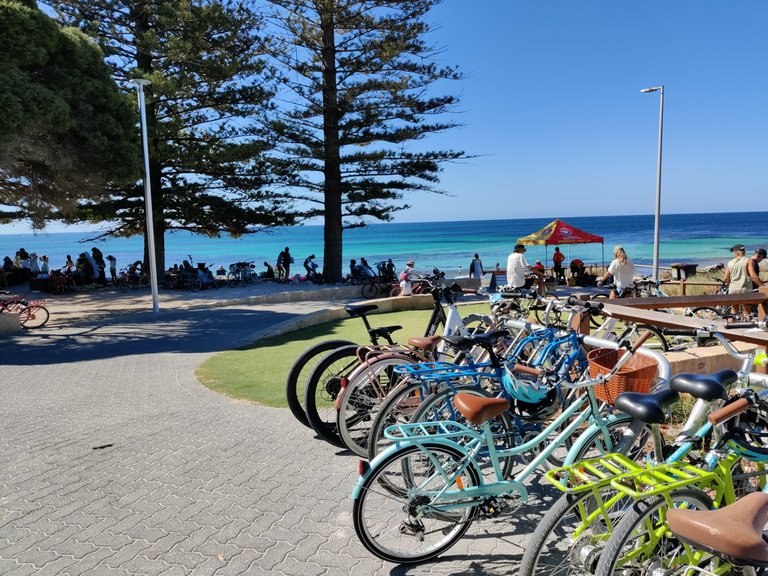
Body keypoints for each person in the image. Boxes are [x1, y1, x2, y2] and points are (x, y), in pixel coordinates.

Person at [724, 244, 752, 315]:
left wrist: (730, 284)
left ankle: (730, 325)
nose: (733, 253)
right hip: (745, 289)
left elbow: (726, 278)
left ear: (737, 252)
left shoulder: (730, 262)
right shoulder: (748, 261)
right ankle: (746, 325)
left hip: (733, 289)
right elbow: (752, 275)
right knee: (746, 311)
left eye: (733, 252)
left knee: (734, 310)